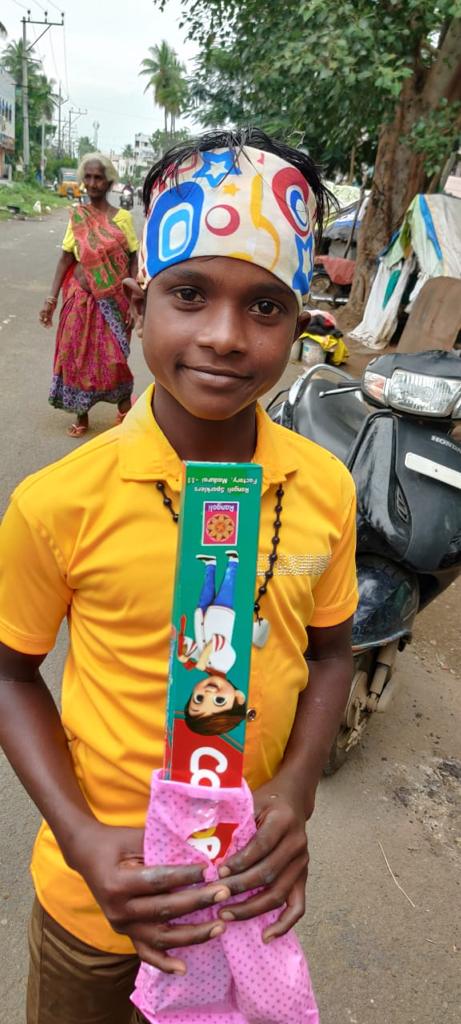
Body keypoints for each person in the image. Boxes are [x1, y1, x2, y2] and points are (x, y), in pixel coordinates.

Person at [0, 128, 358, 1024]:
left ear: (300, 323)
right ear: (140, 299)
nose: (224, 337)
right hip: (99, 901)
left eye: (265, 306)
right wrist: (81, 837)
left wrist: (296, 789)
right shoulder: (59, 502)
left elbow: (329, 653)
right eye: (189, 294)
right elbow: (8, 672)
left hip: (242, 895)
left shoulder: (322, 491)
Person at [39, 152, 138, 438]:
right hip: (80, 297)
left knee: (114, 356)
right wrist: (51, 299)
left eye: (99, 178)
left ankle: (124, 408)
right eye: (89, 177)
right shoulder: (78, 217)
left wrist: (135, 300)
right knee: (75, 354)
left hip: (114, 300)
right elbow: (66, 258)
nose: (93, 183)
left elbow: (133, 258)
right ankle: (81, 414)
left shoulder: (123, 219)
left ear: (109, 182)